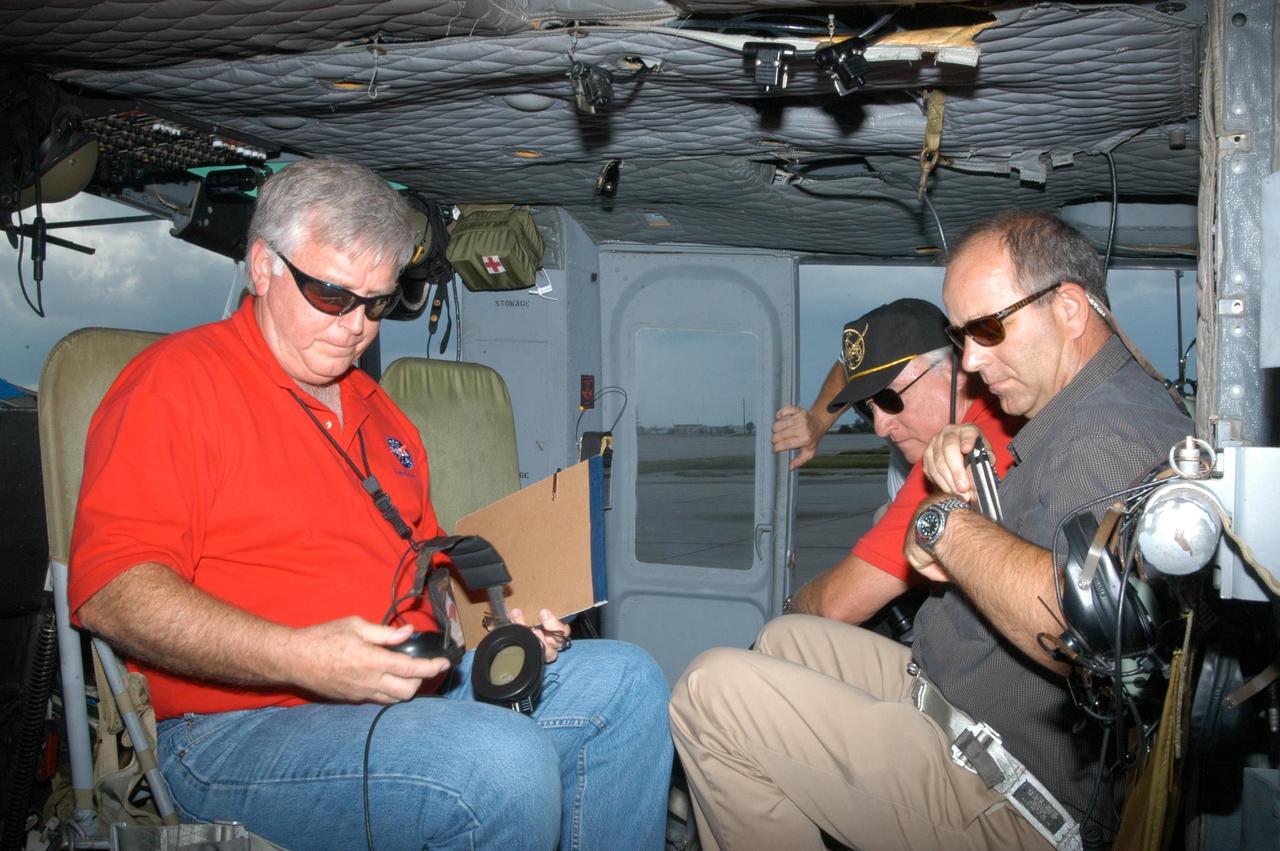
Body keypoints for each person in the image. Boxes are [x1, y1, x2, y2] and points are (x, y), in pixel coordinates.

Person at [68, 157, 672, 851]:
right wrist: (299, 656)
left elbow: (438, 578)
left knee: (627, 683)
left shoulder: (382, 415)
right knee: (502, 764)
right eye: (332, 295)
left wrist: (504, 633)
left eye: (376, 303)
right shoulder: (173, 387)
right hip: (237, 727)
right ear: (263, 266)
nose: (356, 326)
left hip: (411, 687)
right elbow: (113, 592)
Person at [669, 209, 1190, 850]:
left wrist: (940, 518)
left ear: (1071, 310)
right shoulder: (1068, 407)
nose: (971, 360)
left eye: (987, 329)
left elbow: (1070, 623)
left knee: (709, 693)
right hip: (949, 694)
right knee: (785, 639)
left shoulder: (1106, 431)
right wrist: (819, 421)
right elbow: (865, 370)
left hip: (1005, 786)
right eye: (961, 335)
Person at [773, 299, 1021, 624]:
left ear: (958, 370)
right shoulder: (955, 400)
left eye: (890, 400)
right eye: (867, 406)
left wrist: (788, 608)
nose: (879, 427)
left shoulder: (961, 463)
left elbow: (837, 603)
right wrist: (819, 420)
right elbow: (851, 363)